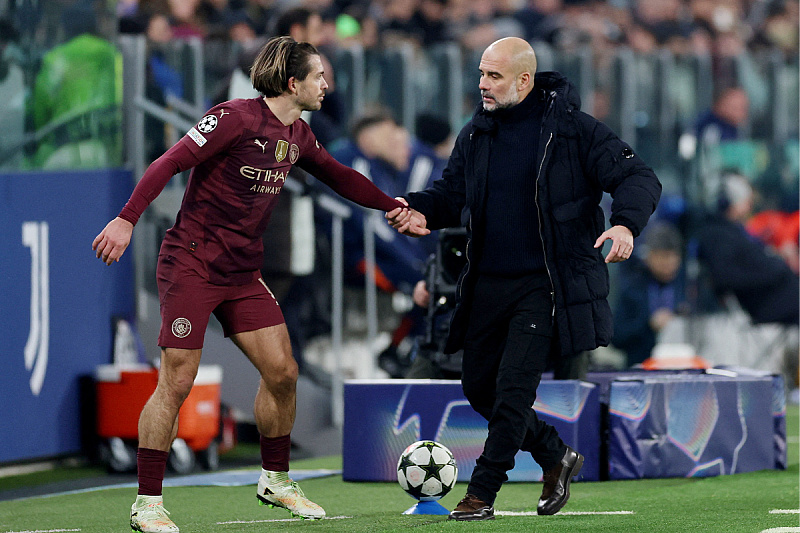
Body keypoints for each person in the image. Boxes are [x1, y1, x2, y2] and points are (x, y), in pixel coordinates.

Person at [93, 36, 418, 533]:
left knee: (283, 371)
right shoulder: (233, 117)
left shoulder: (299, 135)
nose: (328, 85)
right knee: (177, 380)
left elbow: (339, 176)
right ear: (294, 83)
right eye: (320, 77)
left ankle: (276, 479)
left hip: (242, 273)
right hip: (192, 265)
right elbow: (168, 162)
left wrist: (392, 206)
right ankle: (148, 503)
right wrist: (126, 219)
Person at [386, 37, 661, 521]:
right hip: (487, 282)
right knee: (479, 388)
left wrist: (624, 224)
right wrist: (418, 209)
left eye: (493, 76)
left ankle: (482, 494)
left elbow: (639, 178)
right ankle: (555, 454)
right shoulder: (475, 133)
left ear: (524, 80)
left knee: (513, 390)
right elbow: (451, 194)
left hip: (546, 284)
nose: (482, 85)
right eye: (480, 74)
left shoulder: (575, 131)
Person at [612, 222, 689, 366]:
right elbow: (617, 336)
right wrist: (649, 324)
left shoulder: (688, 285)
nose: (669, 263)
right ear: (649, 256)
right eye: (663, 257)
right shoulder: (633, 288)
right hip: (641, 367)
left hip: (683, 367)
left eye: (674, 257)